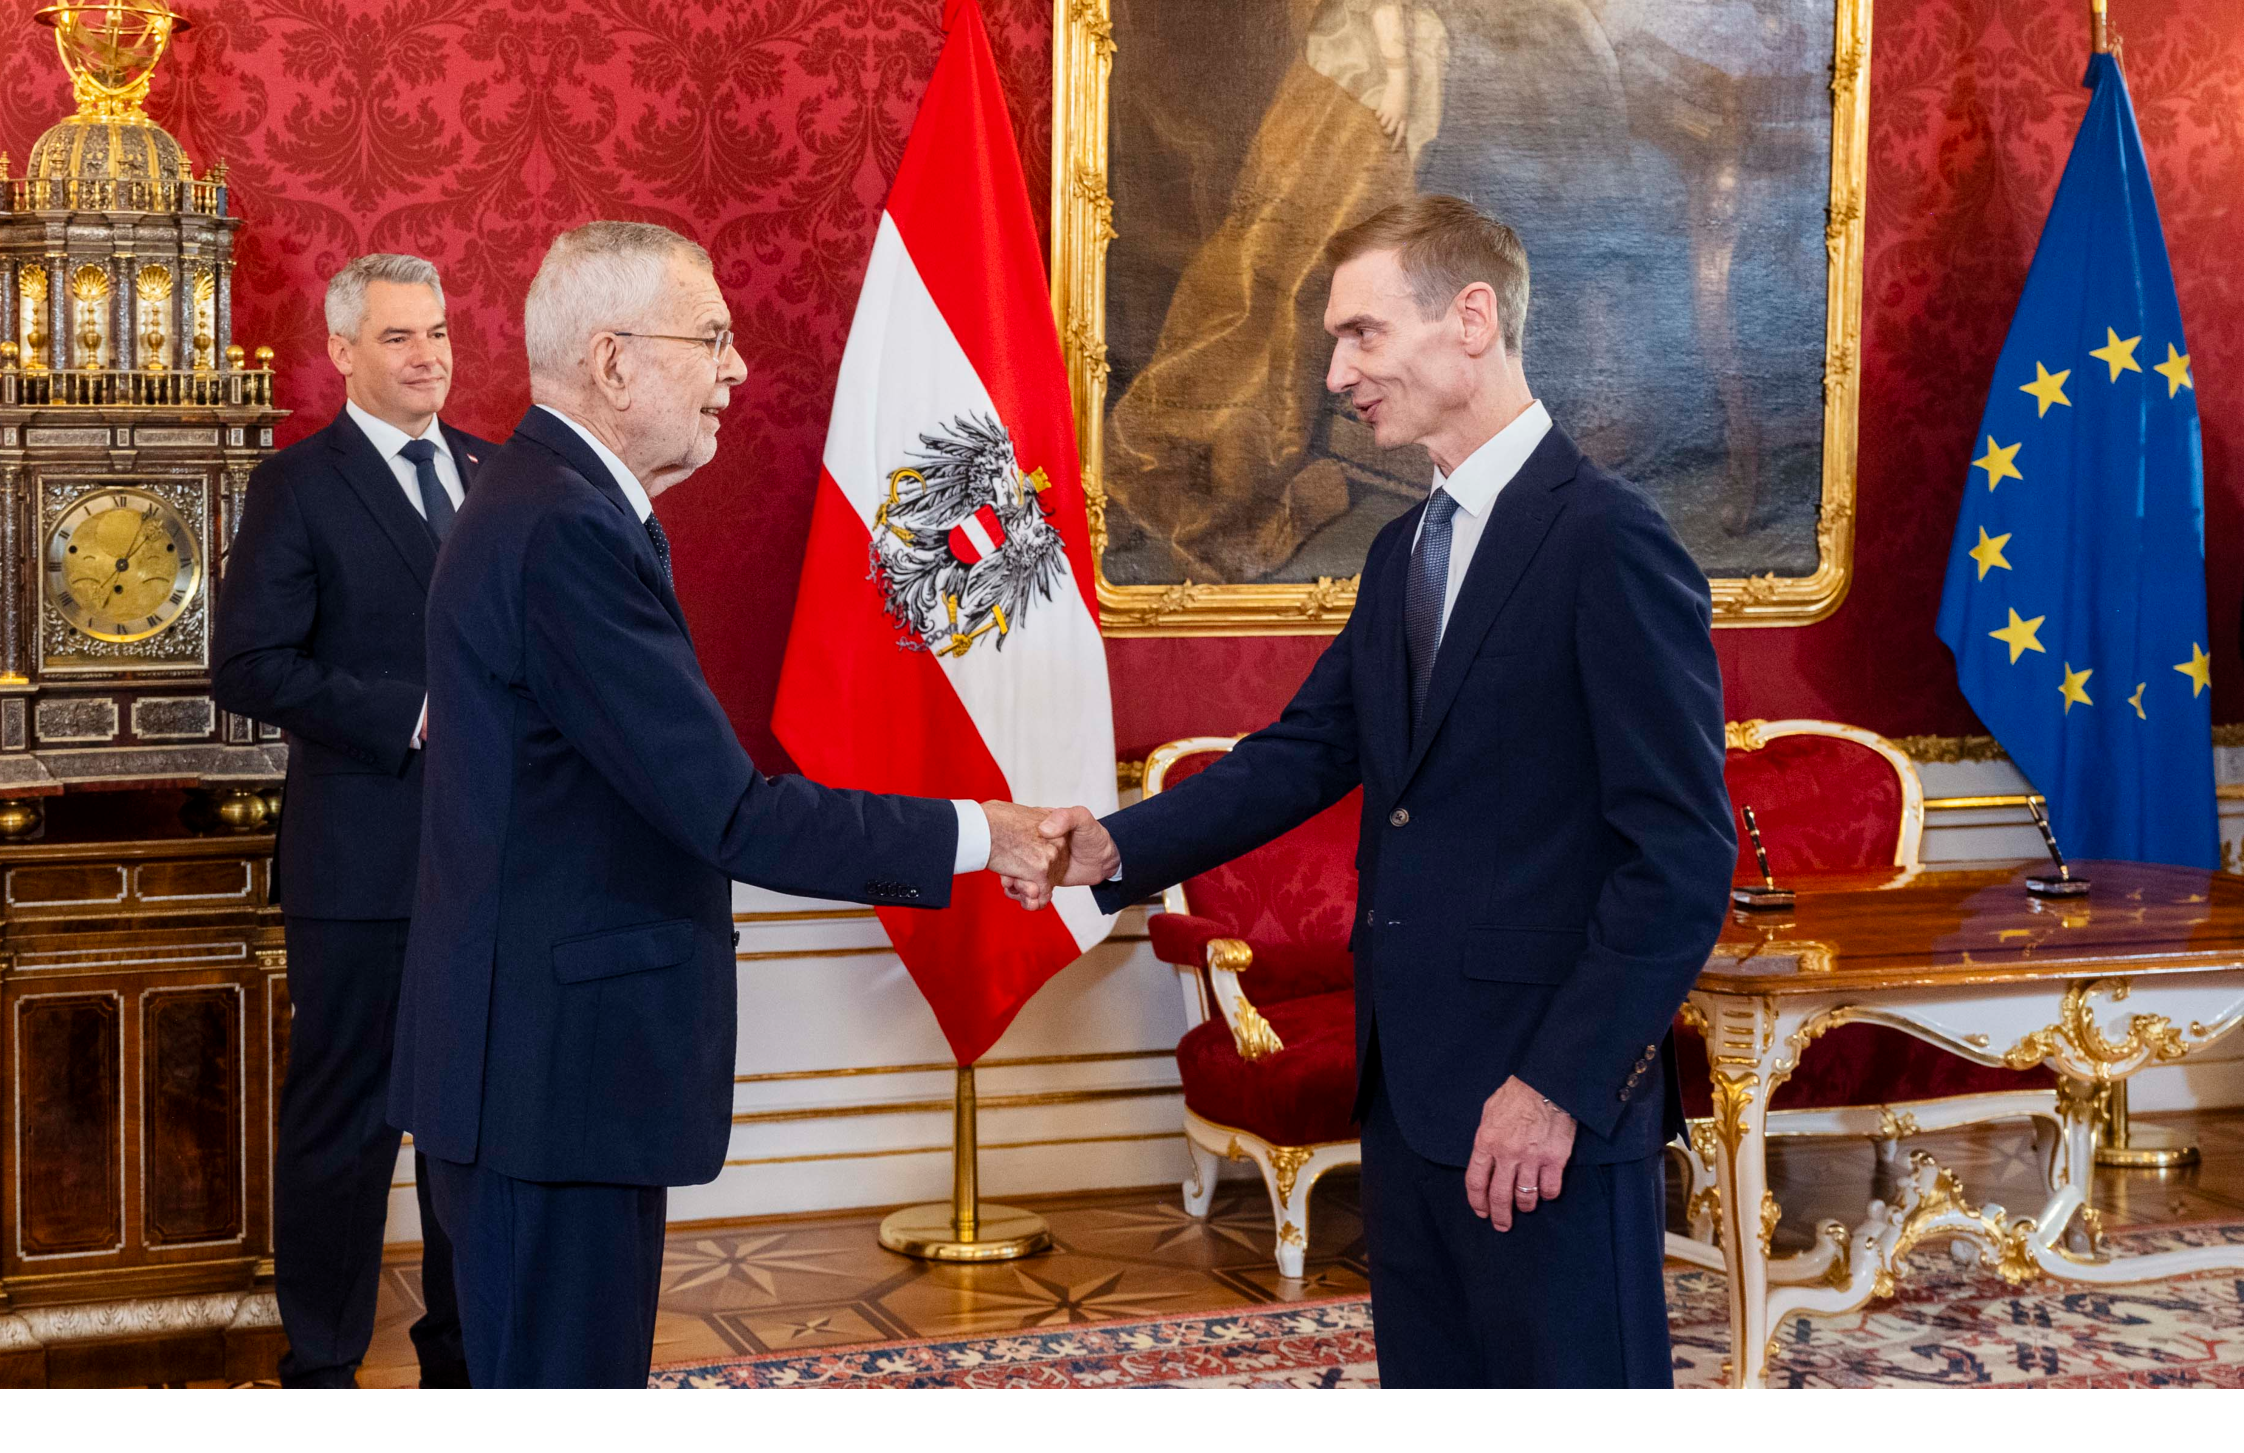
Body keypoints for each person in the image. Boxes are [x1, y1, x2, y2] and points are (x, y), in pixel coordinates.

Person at [1023, 195, 1735, 1387]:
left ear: (1469, 319)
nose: (1336, 371)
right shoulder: (1403, 550)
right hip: (1406, 1089)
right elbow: (1302, 752)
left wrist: (1557, 1084)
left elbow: (1677, 857)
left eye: (1359, 333)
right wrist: (1111, 846)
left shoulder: (1609, 540)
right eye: (1330, 344)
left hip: (1539, 1099)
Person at [387, 220, 1067, 1387]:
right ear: (612, 362)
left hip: (540, 1070)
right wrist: (977, 829)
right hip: (550, 1081)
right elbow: (730, 814)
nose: (737, 369)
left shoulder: (549, 500)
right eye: (710, 337)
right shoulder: (561, 528)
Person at [213, 252, 490, 1388]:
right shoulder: (299, 486)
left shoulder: (495, 469)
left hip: (491, 863)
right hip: (362, 867)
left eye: (436, 333)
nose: (428, 355)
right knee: (345, 1130)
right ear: (339, 351)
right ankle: (322, 1362)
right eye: (397, 338)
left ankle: (464, 1357)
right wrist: (410, 715)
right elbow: (247, 665)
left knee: (469, 1126)